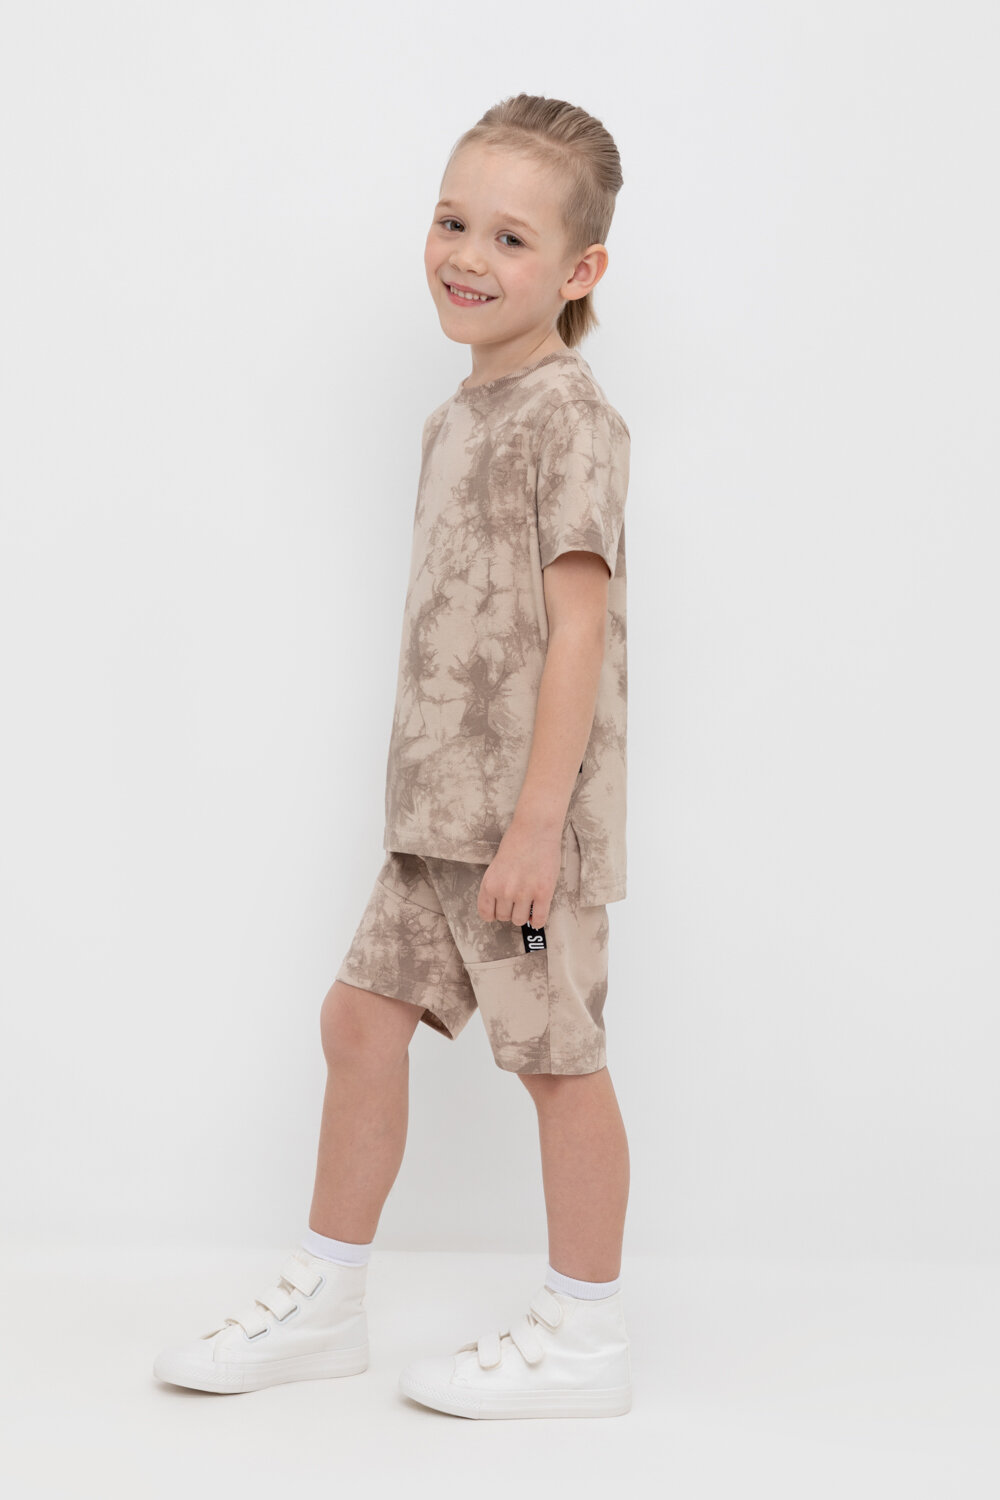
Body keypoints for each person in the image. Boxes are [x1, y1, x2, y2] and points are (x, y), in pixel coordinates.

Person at [154, 92, 634, 1420]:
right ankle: (328, 1298)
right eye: (451, 221)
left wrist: (537, 825)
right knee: (358, 1020)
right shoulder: (455, 417)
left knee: (557, 1061)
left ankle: (587, 1334)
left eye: (512, 239)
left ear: (581, 270)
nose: (467, 257)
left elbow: (579, 631)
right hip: (435, 814)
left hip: (524, 826)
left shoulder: (568, 415)